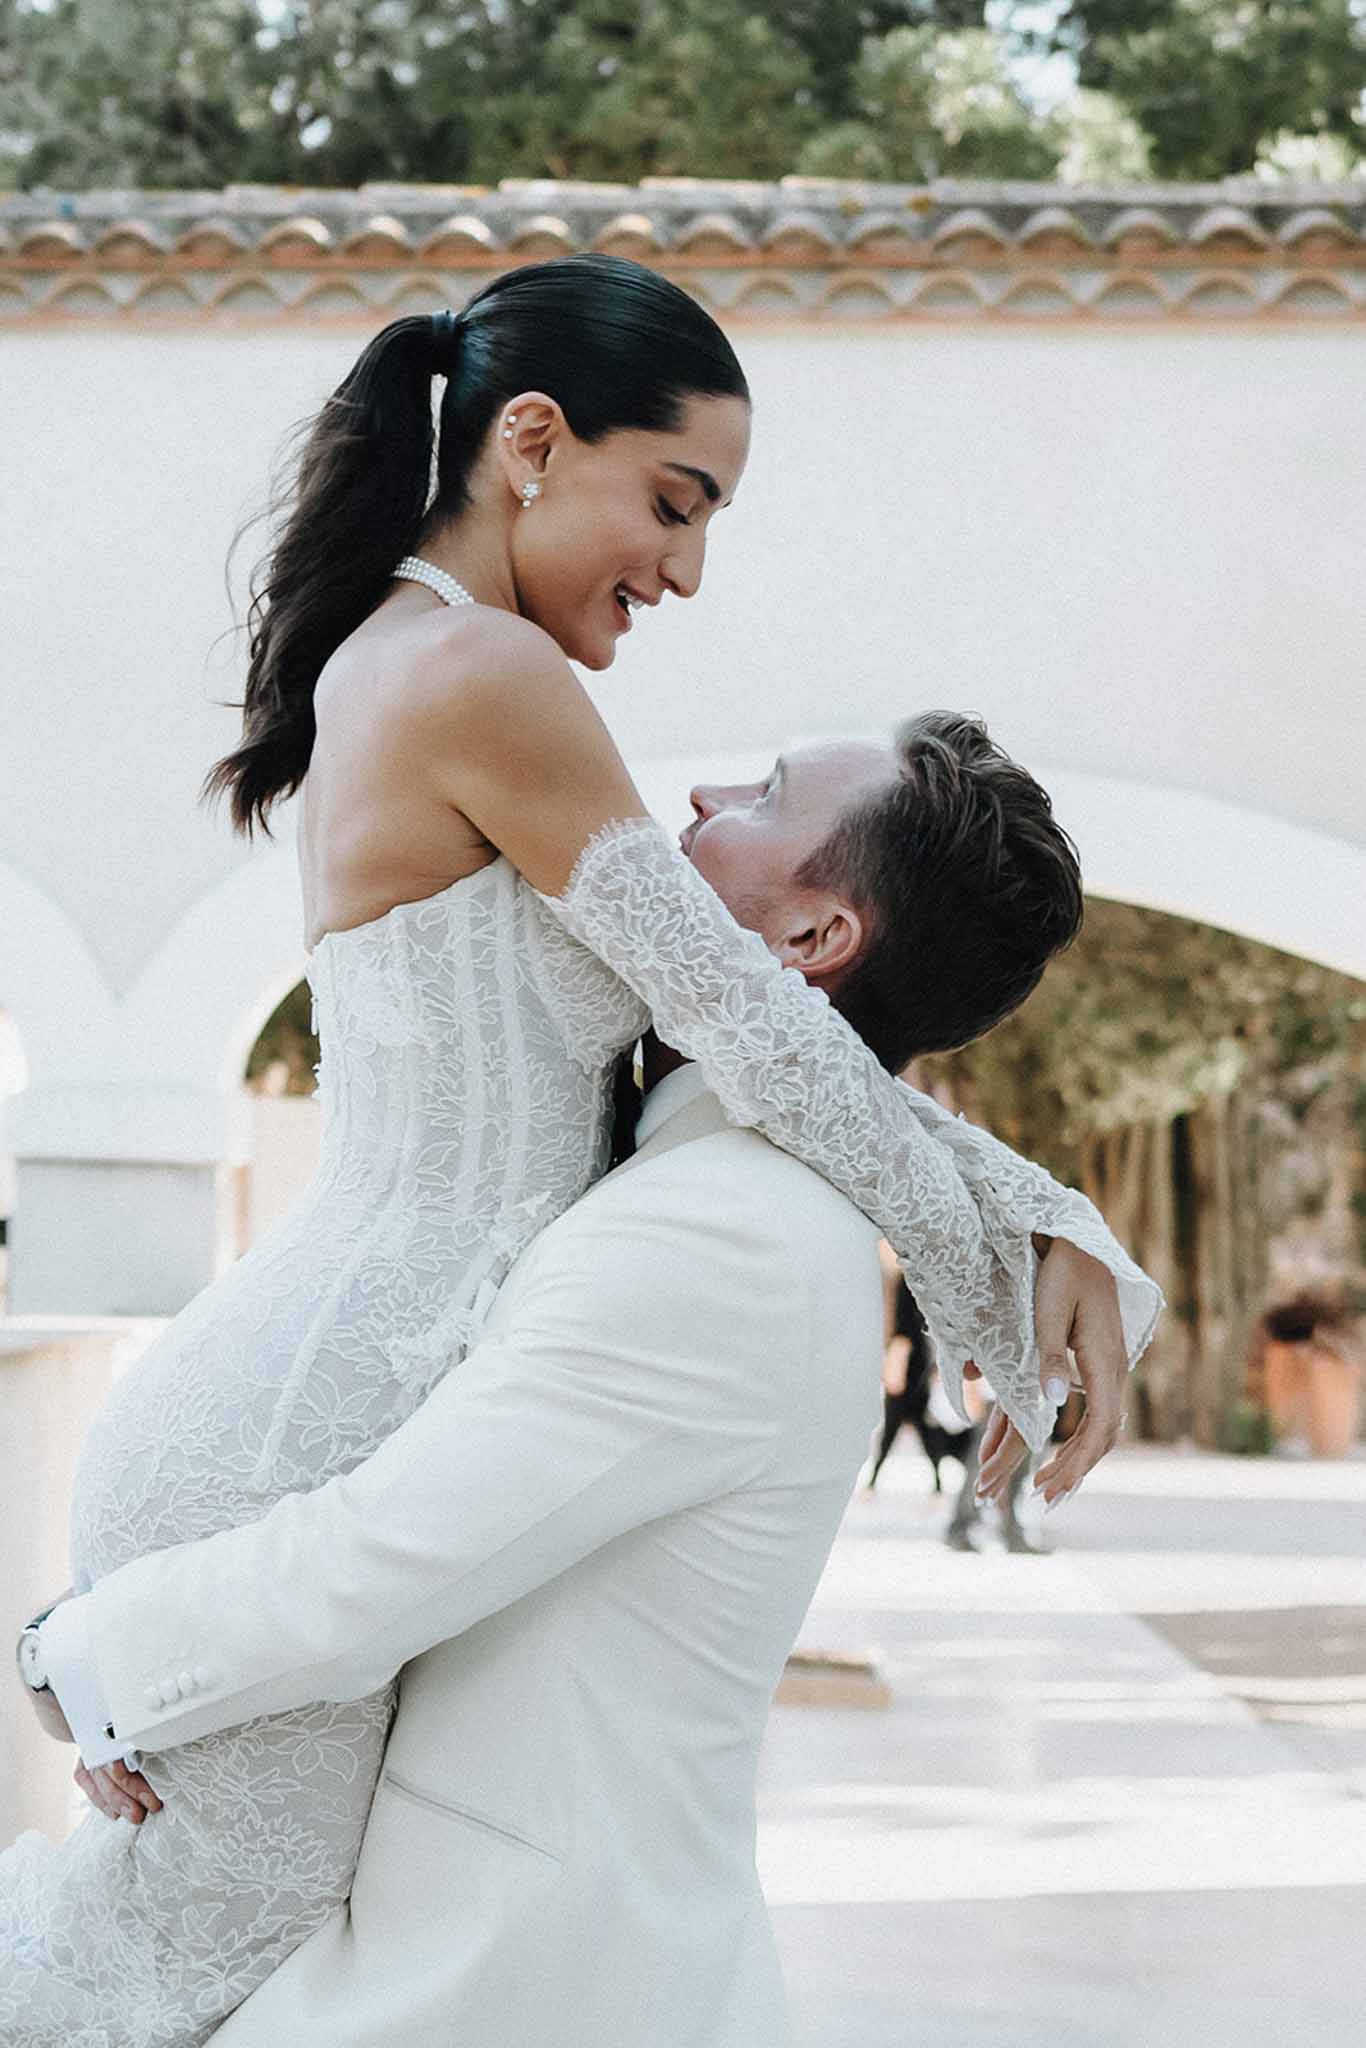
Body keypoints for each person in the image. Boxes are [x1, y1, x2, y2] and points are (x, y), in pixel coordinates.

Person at [4, 255, 1158, 2040]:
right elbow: (771, 1024)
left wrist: (1024, 1226)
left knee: (187, 1970)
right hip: (300, 1428)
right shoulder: (483, 676)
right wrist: (1026, 1238)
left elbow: (751, 1028)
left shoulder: (434, 657)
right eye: (674, 502)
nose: (686, 568)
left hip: (316, 1398)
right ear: (531, 443)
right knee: (172, 1985)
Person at [37, 727, 1114, 2046]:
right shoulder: (712, 1169)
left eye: (765, 797)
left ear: (811, 939)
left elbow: (375, 1566)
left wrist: (81, 1655)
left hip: (492, 1976)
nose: (704, 796)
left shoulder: (722, 1236)